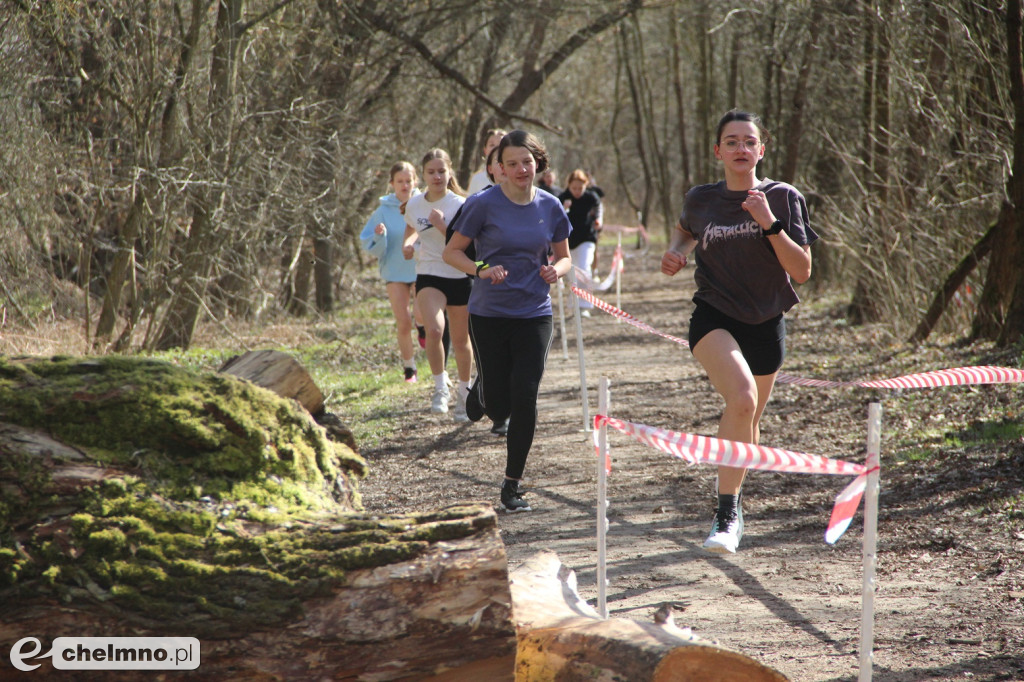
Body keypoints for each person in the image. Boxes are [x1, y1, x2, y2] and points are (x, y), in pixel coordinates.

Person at [661, 109, 818, 554]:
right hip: (714, 317)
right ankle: (726, 512)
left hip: (767, 323)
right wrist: (674, 254)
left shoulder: (784, 197)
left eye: (749, 142)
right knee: (742, 398)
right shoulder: (702, 198)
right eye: (731, 142)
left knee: (748, 420)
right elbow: (683, 233)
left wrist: (769, 221)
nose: (740, 149)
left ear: (761, 150)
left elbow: (802, 271)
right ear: (718, 151)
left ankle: (735, 501)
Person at [443, 130, 572, 512]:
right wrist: (480, 268)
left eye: (526, 162)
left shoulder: (550, 206)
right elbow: (453, 253)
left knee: (525, 395)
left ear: (538, 163)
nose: (520, 169)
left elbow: (564, 257)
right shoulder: (483, 204)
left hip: (534, 313)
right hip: (488, 314)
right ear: (499, 168)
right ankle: (483, 391)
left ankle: (512, 484)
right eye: (511, 163)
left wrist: (557, 272)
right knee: (499, 407)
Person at [403, 149, 474, 420]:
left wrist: (444, 227)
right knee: (433, 330)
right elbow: (411, 227)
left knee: (460, 340)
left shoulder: (460, 204)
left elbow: (469, 244)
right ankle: (439, 387)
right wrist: (408, 244)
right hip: (429, 273)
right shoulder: (414, 204)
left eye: (441, 171)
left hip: (459, 274)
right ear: (423, 175)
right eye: (431, 172)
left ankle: (465, 394)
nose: (436, 176)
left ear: (450, 172)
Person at [359, 161, 421, 383]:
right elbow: (367, 243)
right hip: (394, 272)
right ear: (392, 184)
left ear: (415, 181)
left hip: (420, 269)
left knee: (422, 317)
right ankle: (409, 368)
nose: (404, 186)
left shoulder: (422, 204)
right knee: (403, 321)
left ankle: (423, 331)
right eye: (400, 182)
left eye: (408, 181)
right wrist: (378, 235)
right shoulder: (382, 211)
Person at [558, 169, 602, 316]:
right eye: (574, 188)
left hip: (587, 238)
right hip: (568, 240)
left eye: (580, 188)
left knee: (584, 268)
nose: (577, 191)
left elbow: (599, 209)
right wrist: (565, 208)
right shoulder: (563, 197)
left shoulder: (591, 197)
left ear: (586, 185)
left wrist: (598, 220)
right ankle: (573, 302)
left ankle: (584, 305)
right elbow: (556, 216)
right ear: (569, 186)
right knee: (572, 272)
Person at [466, 128, 507, 196]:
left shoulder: (514, 174)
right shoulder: (477, 179)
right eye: (492, 145)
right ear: (485, 150)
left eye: (501, 144)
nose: (496, 148)